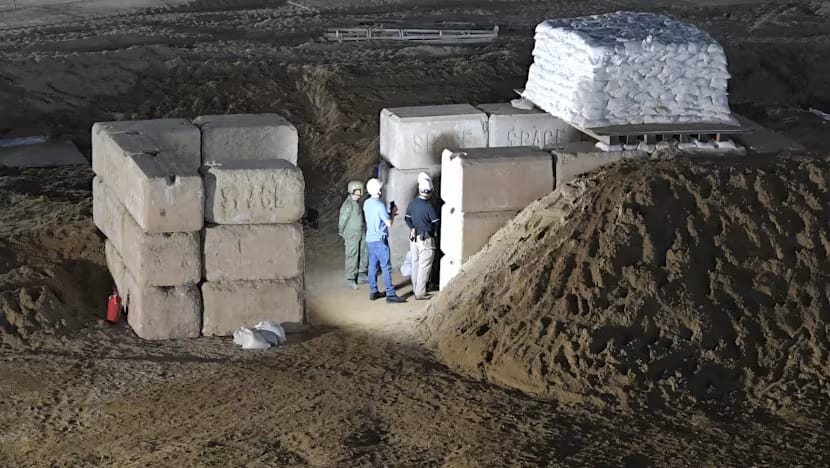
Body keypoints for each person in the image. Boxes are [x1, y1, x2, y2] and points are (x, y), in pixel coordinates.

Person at [362, 178, 406, 303]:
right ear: (379, 190)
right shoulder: (380, 205)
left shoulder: (367, 203)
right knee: (386, 268)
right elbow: (389, 223)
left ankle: (373, 291)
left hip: (370, 239)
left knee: (372, 267)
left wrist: (386, 214)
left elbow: (374, 216)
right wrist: (392, 213)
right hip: (380, 240)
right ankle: (390, 294)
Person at [405, 173, 440, 300]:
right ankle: (420, 293)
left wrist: (413, 228)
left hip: (414, 237)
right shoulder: (429, 206)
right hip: (425, 239)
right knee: (424, 266)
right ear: (430, 191)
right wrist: (434, 233)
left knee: (415, 264)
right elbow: (436, 222)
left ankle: (416, 288)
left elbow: (407, 218)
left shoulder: (413, 203)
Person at [338, 180, 369, 290]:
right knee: (352, 255)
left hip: (359, 232)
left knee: (363, 252)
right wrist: (341, 231)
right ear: (353, 191)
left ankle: (361, 274)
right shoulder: (348, 204)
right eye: (358, 191)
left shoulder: (355, 203)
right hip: (352, 234)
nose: (360, 194)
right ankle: (351, 278)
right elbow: (343, 219)